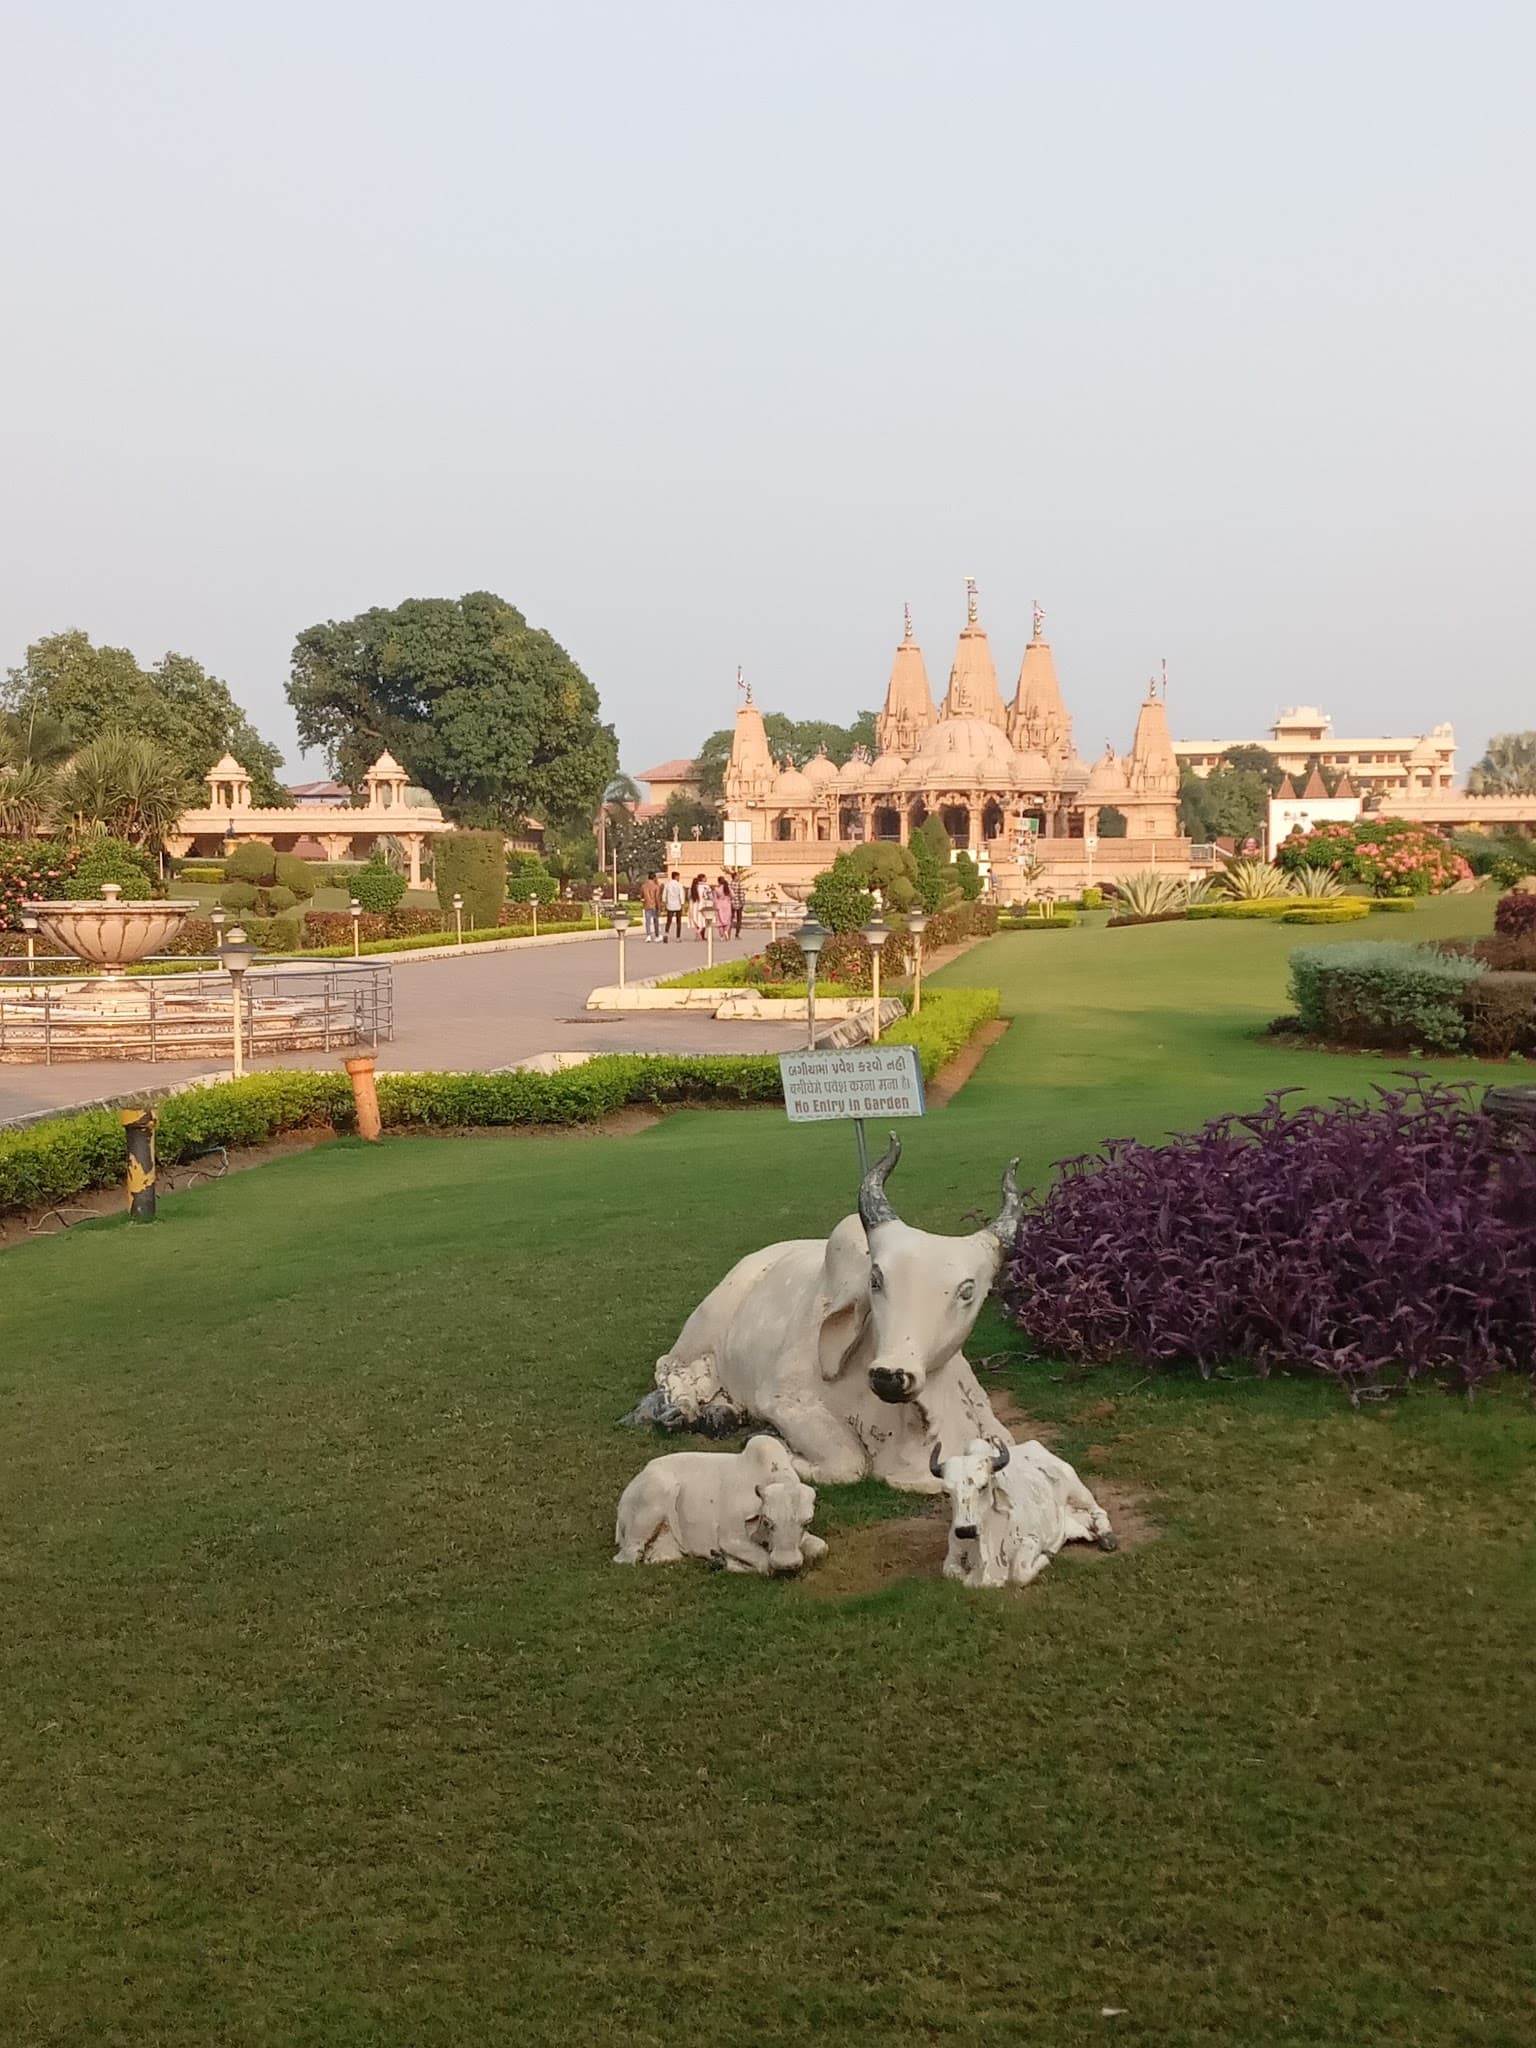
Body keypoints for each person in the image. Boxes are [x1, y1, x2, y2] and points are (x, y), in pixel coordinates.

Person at [661, 869, 686, 942]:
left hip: (670, 905)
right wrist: (682, 904)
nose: (679, 878)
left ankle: (666, 934)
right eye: (678, 877)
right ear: (676, 876)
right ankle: (678, 937)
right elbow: (681, 895)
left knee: (669, 921)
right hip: (678, 905)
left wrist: (664, 902)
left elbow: (664, 894)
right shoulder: (679, 885)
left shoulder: (667, 884)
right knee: (678, 922)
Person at [640, 870, 662, 942]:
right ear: (654, 878)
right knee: (656, 921)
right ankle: (657, 935)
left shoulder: (643, 886)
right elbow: (657, 898)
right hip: (654, 905)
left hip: (646, 905)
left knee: (648, 922)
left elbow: (642, 896)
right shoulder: (656, 886)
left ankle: (648, 935)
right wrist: (659, 908)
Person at [688, 873, 711, 942]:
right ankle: (701, 935)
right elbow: (710, 896)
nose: (706, 879)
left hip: (693, 906)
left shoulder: (692, 887)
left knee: (695, 921)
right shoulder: (706, 887)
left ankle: (697, 934)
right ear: (702, 878)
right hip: (702, 906)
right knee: (702, 921)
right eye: (705, 877)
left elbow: (689, 897)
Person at [713, 873, 733, 939]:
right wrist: (729, 898)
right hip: (727, 904)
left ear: (718, 881)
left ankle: (721, 936)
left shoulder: (716, 889)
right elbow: (733, 895)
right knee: (727, 919)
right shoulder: (728, 888)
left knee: (720, 921)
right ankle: (726, 931)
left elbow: (715, 899)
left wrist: (715, 906)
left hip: (719, 904)